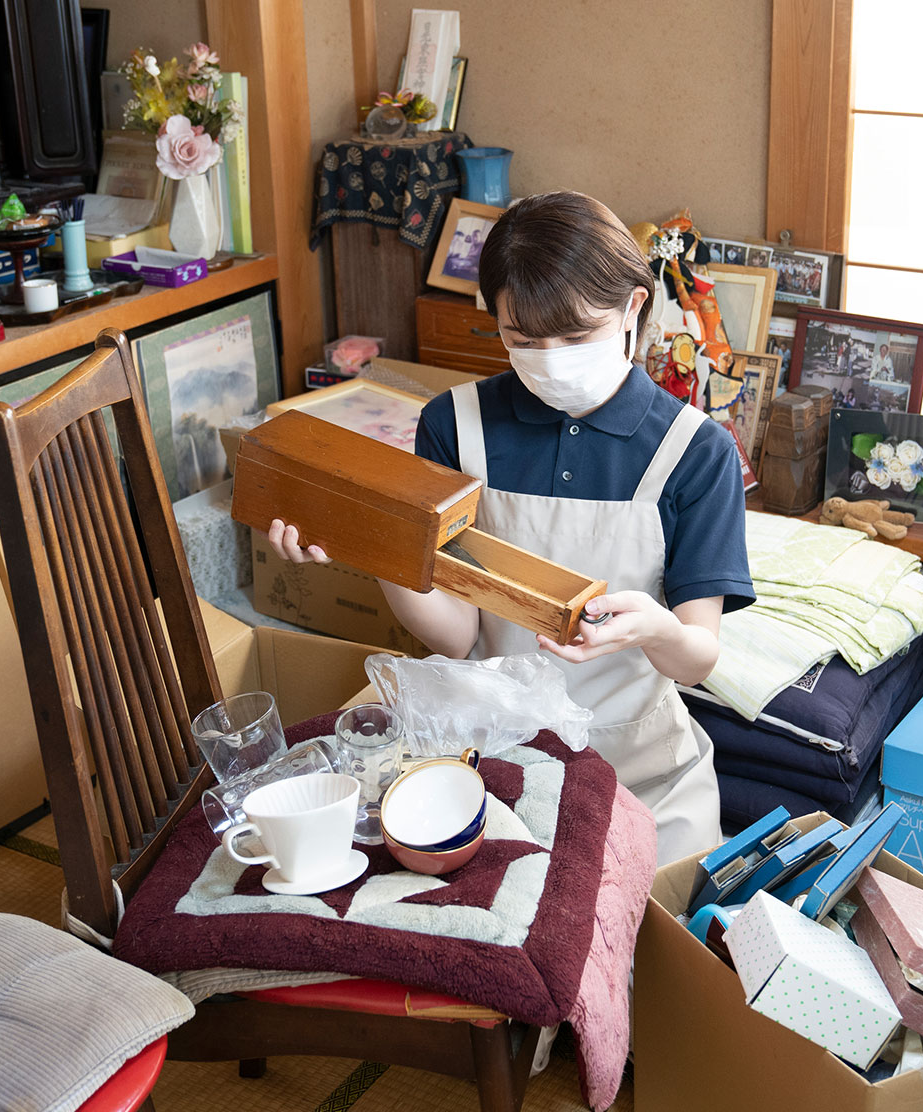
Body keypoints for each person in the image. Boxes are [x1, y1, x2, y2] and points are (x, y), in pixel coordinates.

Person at [267, 191, 754, 865]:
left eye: (577, 336)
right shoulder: (455, 425)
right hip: (495, 762)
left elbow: (698, 658)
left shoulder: (695, 450)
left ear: (633, 308)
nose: (550, 359)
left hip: (642, 774)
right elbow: (460, 632)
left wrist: (654, 626)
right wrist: (376, 544)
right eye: (522, 340)